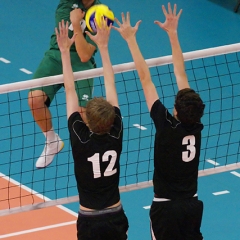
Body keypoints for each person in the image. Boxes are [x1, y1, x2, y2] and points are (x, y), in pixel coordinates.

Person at [113, 3, 205, 240]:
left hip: (166, 208)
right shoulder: (196, 126)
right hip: (192, 205)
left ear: (175, 110)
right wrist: (173, 34)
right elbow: (181, 74)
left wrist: (131, 39)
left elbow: (146, 79)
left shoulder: (167, 126)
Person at [55, 17, 129, 240]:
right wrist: (104, 47)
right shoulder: (115, 132)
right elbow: (111, 84)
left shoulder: (83, 139)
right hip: (116, 214)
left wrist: (65, 51)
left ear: (86, 120)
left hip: (89, 219)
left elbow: (70, 90)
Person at [28, 0, 101, 168]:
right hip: (57, 54)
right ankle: (51, 141)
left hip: (81, 64)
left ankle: (91, 159)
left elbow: (84, 55)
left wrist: (76, 24)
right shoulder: (66, 5)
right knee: (35, 99)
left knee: (83, 114)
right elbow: (67, 46)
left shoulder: (102, 13)